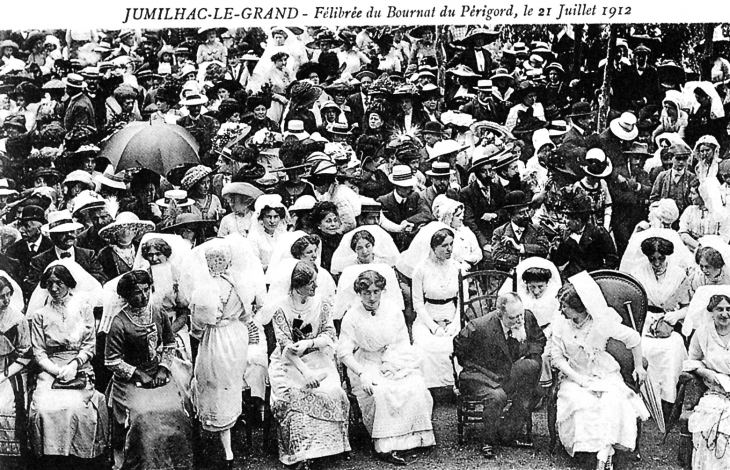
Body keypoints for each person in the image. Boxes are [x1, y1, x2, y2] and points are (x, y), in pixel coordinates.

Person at [551, 272, 649, 470]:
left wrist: (638, 366)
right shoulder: (561, 323)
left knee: (611, 401)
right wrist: (579, 379)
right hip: (574, 374)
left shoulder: (601, 322)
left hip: (603, 371)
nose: (561, 311)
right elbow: (557, 357)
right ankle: (590, 452)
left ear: (581, 308)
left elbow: (633, 339)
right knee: (580, 402)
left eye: (565, 307)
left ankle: (605, 452)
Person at [337, 268, 435, 465]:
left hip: (394, 358)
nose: (372, 297)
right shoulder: (352, 316)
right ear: (359, 294)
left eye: (376, 292)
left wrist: (394, 362)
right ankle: (385, 445)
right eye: (366, 293)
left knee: (414, 384)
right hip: (366, 362)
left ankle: (415, 439)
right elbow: (344, 353)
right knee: (380, 391)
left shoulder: (392, 310)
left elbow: (402, 341)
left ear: (382, 290)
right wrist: (362, 373)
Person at [104, 270, 194, 470]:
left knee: (176, 410)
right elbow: (111, 360)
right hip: (129, 381)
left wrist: (163, 368)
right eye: (137, 292)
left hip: (159, 375)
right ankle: (143, 464)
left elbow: (170, 344)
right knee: (143, 415)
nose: (143, 296)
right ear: (127, 295)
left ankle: (175, 464)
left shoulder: (159, 313)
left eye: (146, 290)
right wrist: (138, 373)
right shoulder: (119, 322)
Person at [266, 260, 351, 470]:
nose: (315, 287)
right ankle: (302, 453)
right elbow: (285, 345)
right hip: (290, 362)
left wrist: (310, 343)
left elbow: (330, 333)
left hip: (318, 356)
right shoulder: (280, 308)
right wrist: (306, 373)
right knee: (293, 395)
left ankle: (331, 447)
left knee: (332, 390)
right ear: (298, 285)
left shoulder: (321, 303)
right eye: (311, 283)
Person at [189, 235, 264, 468]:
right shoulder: (238, 283)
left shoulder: (206, 288)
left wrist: (199, 333)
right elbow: (245, 314)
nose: (215, 264)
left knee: (216, 382)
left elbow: (198, 325)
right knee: (223, 383)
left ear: (227, 261)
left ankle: (225, 443)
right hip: (234, 333)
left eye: (219, 259)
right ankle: (225, 438)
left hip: (219, 337)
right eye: (212, 260)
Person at [27, 262, 108, 463]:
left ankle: (79, 458)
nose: (54, 288)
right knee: (43, 410)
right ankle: (52, 458)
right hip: (50, 368)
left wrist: (74, 365)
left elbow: (89, 345)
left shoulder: (83, 308)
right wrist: (56, 370)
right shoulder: (40, 315)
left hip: (80, 366)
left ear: (69, 284)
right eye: (50, 283)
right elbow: (39, 352)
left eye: (59, 283)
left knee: (78, 409)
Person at [453, 292, 546, 457]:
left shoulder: (527, 317)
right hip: (480, 375)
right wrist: (481, 367)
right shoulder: (479, 326)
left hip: (510, 374)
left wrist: (529, 358)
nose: (519, 321)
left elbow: (539, 340)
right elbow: (459, 348)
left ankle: (507, 433)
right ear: (499, 314)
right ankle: (488, 441)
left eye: (520, 315)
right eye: (513, 318)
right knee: (498, 396)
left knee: (536, 390)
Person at [622, 235, 689, 419]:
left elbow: (687, 307)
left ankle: (667, 401)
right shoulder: (637, 273)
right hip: (644, 322)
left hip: (669, 324)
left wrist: (676, 316)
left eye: (661, 258)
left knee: (672, 349)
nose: (657, 263)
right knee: (642, 348)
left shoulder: (679, 274)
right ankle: (645, 402)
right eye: (653, 259)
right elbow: (632, 306)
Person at [683, 291, 730, 470]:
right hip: (716, 390)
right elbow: (691, 360)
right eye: (719, 309)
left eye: (728, 309)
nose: (724, 314)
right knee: (710, 421)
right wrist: (704, 372)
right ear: (711, 311)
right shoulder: (703, 333)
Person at [409, 227, 461, 388]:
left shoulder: (457, 267)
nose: (449, 249)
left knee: (456, 344)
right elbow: (417, 303)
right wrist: (433, 327)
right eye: (444, 245)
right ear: (433, 247)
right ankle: (431, 389)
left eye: (451, 244)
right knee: (426, 347)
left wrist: (455, 324)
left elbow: (462, 301)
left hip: (452, 314)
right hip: (428, 316)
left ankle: (457, 385)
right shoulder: (421, 269)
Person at [0, 273, 31, 464]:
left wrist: (4, 375)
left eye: (8, 295)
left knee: (3, 405)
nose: (6, 300)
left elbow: (25, 353)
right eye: (1, 296)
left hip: (10, 370)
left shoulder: (18, 319)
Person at [550, 192, 618, 278]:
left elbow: (612, 259)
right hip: (572, 276)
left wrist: (599, 275)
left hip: (594, 275)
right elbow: (559, 261)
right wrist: (563, 243)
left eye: (567, 218)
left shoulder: (598, 233)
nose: (564, 221)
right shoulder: (566, 235)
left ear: (577, 221)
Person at [491, 190, 548, 272]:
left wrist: (520, 248)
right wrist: (523, 261)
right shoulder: (499, 232)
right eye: (521, 213)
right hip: (508, 277)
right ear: (510, 215)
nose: (526, 215)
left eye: (527, 211)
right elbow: (497, 258)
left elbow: (544, 249)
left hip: (533, 277)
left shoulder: (537, 229)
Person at [431, 195, 483, 269]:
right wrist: (460, 266)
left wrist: (468, 260)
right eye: (458, 215)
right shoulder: (441, 235)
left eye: (462, 214)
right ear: (449, 217)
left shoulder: (466, 231)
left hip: (470, 271)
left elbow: (477, 251)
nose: (461, 218)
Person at [330, 225, 400, 276]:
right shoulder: (350, 266)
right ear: (354, 250)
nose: (364, 251)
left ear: (373, 245)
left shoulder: (384, 262)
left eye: (368, 246)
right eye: (359, 248)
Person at [248, 194, 288, 271]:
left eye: (276, 217)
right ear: (262, 218)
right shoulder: (254, 237)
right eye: (268, 217)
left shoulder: (282, 234)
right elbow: (252, 263)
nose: (272, 221)